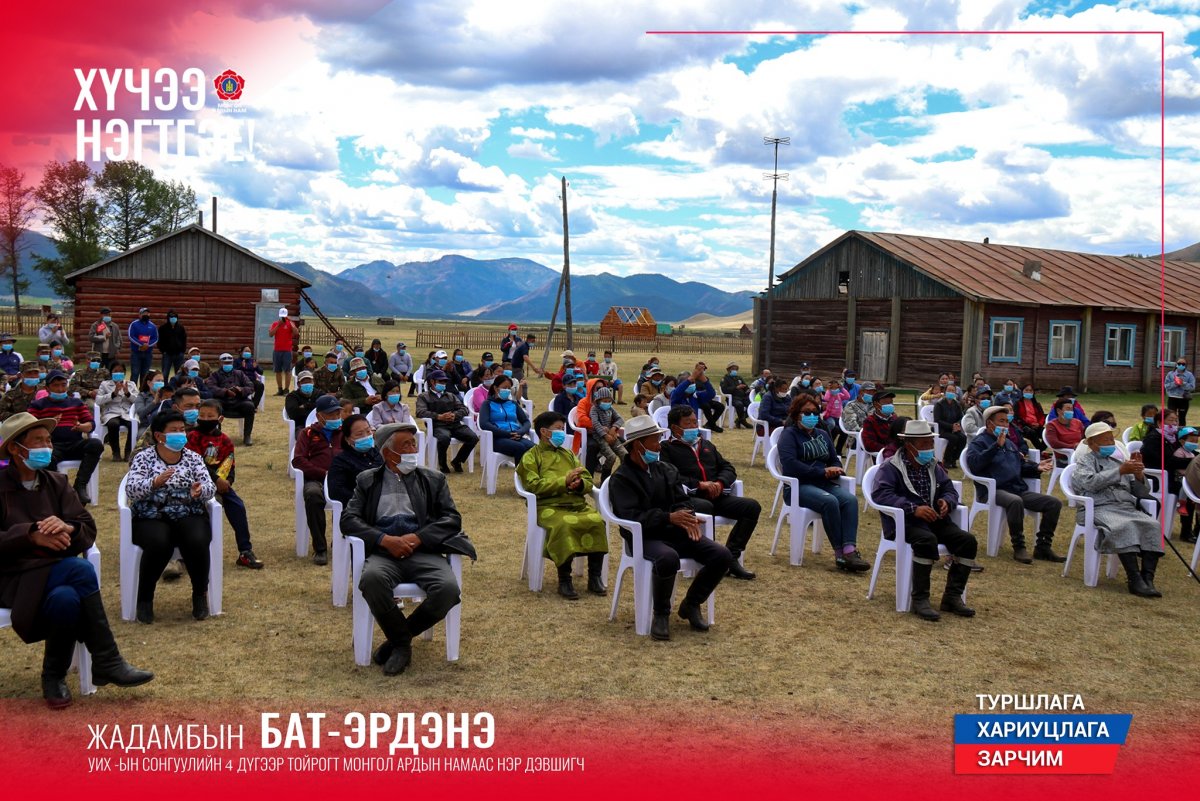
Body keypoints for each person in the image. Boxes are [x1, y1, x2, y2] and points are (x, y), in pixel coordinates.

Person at [0, 412, 153, 708]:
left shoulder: (56, 482)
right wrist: (30, 535)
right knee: (80, 570)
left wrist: (68, 527)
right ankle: (107, 660)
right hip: (12, 577)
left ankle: (53, 677)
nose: (47, 447)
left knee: (66, 598)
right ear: (16, 449)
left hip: (54, 573)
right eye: (38, 441)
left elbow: (86, 526)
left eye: (48, 440)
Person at [341, 421, 476, 676]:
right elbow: (348, 520)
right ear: (388, 453)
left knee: (447, 589)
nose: (414, 449)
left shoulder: (432, 479)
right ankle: (402, 644)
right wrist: (384, 539)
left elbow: (451, 519)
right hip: (384, 552)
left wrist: (418, 538)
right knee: (372, 580)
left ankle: (398, 640)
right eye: (406, 445)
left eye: (414, 444)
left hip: (422, 550)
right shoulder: (367, 480)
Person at [607, 416, 732, 641]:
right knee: (667, 558)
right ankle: (661, 614)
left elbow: (682, 499)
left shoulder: (665, 469)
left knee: (722, 555)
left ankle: (691, 603)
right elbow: (630, 516)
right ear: (638, 445)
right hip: (644, 537)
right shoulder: (622, 478)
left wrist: (686, 516)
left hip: (674, 532)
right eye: (655, 440)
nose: (659, 445)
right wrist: (668, 517)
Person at [871, 419, 978, 620]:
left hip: (933, 520)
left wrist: (947, 501)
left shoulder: (932, 465)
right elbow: (881, 495)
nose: (930, 448)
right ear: (908, 445)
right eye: (924, 444)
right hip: (904, 523)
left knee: (967, 541)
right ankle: (920, 599)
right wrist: (913, 509)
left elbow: (949, 489)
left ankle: (952, 596)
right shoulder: (890, 467)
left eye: (931, 443)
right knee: (926, 540)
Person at [124, 410, 218, 622]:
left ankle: (200, 595)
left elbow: (210, 487)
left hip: (188, 512)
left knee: (197, 539)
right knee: (158, 542)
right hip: (152, 515)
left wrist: (199, 491)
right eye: (174, 430)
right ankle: (145, 599)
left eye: (182, 430)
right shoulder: (144, 458)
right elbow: (131, 490)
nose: (180, 434)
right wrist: (154, 482)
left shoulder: (193, 458)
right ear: (159, 435)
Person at [516, 411, 609, 599]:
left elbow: (586, 477)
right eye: (558, 429)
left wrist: (579, 485)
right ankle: (564, 580)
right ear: (544, 432)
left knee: (597, 521)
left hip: (575, 503)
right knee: (564, 525)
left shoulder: (569, 454)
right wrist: (563, 482)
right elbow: (532, 485)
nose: (562, 433)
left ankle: (595, 577)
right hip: (548, 506)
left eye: (563, 428)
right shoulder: (531, 456)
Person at [661, 405, 759, 580]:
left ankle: (731, 557)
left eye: (695, 422)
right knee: (705, 506)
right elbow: (670, 477)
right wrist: (699, 485)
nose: (694, 427)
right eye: (688, 423)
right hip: (688, 499)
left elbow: (728, 468)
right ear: (675, 428)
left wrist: (720, 483)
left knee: (751, 507)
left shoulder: (706, 445)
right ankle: (711, 558)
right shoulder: (666, 449)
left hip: (716, 496)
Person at [777, 395, 870, 572]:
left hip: (823, 484)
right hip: (798, 487)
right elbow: (790, 464)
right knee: (830, 501)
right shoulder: (789, 435)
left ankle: (850, 550)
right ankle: (840, 554)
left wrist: (836, 468)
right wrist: (822, 472)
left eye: (815, 412)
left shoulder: (822, 434)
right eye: (807, 412)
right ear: (796, 414)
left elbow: (834, 458)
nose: (812, 416)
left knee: (850, 500)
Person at [1070, 422, 1164, 597]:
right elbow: (1089, 483)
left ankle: (1147, 578)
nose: (1111, 443)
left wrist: (1138, 474)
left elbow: (1142, 492)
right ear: (1092, 443)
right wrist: (1119, 471)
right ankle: (1134, 579)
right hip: (1098, 507)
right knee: (1123, 526)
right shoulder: (1084, 462)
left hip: (1124, 506)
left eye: (1111, 439)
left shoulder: (1117, 462)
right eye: (1105, 440)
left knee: (1153, 525)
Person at [964, 405, 1062, 564]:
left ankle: (1043, 547)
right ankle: (1019, 546)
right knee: (1015, 501)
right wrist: (996, 446)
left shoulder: (1009, 443)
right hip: (993, 490)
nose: (1005, 425)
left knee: (1053, 503)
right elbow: (975, 465)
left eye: (1006, 421)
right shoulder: (979, 442)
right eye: (1001, 421)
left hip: (1016, 488)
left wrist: (1036, 467)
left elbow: (1020, 465)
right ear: (989, 423)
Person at [187, 400, 264, 570]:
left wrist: (228, 482)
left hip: (221, 484)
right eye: (202, 415)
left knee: (238, 506)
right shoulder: (192, 437)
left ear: (220, 419)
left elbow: (229, 464)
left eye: (210, 416)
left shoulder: (225, 440)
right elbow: (195, 464)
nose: (205, 419)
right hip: (198, 483)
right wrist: (216, 480)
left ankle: (245, 551)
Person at [28, 371, 104, 505]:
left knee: (96, 444)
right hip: (52, 446)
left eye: (63, 385)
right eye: (56, 386)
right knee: (46, 458)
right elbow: (30, 428)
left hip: (75, 444)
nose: (60, 389)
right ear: (47, 388)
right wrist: (49, 424)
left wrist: (81, 426)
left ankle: (80, 486)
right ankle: (57, 492)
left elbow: (91, 424)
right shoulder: (38, 405)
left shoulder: (76, 403)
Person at [292, 395, 345, 565]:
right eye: (331, 415)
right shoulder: (307, 433)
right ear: (319, 416)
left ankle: (341, 540)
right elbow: (298, 460)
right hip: (316, 479)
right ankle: (320, 548)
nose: (335, 418)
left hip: (341, 478)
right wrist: (322, 473)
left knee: (352, 496)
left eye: (338, 414)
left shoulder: (345, 432)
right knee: (313, 495)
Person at [415, 369, 477, 474]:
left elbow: (464, 409)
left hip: (455, 424)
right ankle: (442, 464)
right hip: (438, 425)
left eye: (445, 381)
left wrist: (455, 415)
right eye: (440, 381)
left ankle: (457, 461)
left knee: (473, 437)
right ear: (432, 382)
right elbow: (420, 412)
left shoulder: (451, 395)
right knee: (444, 438)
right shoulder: (424, 396)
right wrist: (438, 416)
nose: (443, 384)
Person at [327, 414, 383, 505]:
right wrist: (365, 499)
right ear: (347, 439)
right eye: (359, 434)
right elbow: (336, 492)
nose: (366, 436)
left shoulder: (379, 453)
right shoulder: (341, 461)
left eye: (368, 431)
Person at [478, 375, 534, 461]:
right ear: (496, 388)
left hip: (516, 436)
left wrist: (520, 432)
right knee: (520, 448)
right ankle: (520, 470)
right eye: (504, 388)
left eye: (509, 388)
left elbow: (526, 422)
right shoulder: (487, 404)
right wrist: (507, 434)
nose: (507, 390)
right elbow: (484, 424)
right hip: (498, 438)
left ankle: (531, 469)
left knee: (533, 448)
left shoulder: (512, 404)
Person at [206, 354, 257, 446]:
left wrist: (241, 390)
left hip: (239, 401)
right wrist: (225, 392)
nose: (227, 365)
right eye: (225, 363)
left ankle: (247, 436)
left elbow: (250, 386)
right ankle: (217, 435)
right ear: (220, 363)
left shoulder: (240, 374)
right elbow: (211, 388)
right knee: (215, 406)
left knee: (249, 406)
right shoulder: (215, 375)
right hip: (222, 401)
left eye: (229, 363)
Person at [95, 361, 138, 461]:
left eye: (121, 371)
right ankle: (116, 453)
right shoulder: (105, 384)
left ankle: (128, 452)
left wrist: (128, 394)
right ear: (111, 373)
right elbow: (98, 400)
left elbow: (138, 400)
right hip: (111, 412)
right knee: (113, 424)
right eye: (115, 371)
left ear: (125, 373)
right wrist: (113, 394)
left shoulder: (131, 384)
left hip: (127, 412)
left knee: (133, 424)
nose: (118, 373)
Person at [671, 362, 724, 432]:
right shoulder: (676, 396)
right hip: (679, 430)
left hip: (693, 429)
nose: (692, 385)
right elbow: (677, 391)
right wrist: (690, 379)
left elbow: (711, 394)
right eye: (689, 383)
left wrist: (704, 380)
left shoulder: (695, 396)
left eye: (693, 383)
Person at [931, 383, 967, 469]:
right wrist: (951, 426)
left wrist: (957, 424)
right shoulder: (939, 404)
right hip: (941, 429)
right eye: (949, 390)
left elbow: (961, 417)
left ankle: (954, 459)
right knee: (954, 438)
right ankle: (946, 460)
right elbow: (937, 420)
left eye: (953, 391)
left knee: (963, 438)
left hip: (953, 429)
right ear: (945, 391)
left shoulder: (956, 404)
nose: (951, 392)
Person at [1044, 397, 1085, 465]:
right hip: (1065, 456)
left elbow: (1084, 437)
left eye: (1072, 409)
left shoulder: (1078, 423)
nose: (1071, 411)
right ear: (1058, 411)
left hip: (1080, 453)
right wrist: (1073, 446)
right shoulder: (1052, 425)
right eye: (1068, 409)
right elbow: (1054, 443)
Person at [268, 308, 299, 396]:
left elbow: (296, 333)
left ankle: (286, 390)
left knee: (287, 371)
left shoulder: (290, 323)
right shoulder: (275, 324)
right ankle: (280, 389)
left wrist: (291, 323)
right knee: (277, 370)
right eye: (282, 316)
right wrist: (278, 325)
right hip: (277, 350)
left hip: (287, 350)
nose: (283, 318)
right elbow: (270, 334)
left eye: (284, 316)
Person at [860, 390, 898, 454]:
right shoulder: (870, 421)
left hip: (897, 453)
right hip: (883, 454)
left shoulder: (894, 418)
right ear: (876, 405)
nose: (890, 405)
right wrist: (889, 449)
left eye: (891, 402)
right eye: (886, 403)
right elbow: (869, 444)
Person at [127, 307, 158, 385]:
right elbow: (131, 336)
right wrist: (141, 344)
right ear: (139, 315)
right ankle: (132, 389)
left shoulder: (153, 326)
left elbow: (155, 338)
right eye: (144, 313)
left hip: (148, 353)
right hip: (136, 353)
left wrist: (148, 345)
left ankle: (143, 390)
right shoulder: (134, 324)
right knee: (135, 373)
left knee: (145, 374)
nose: (146, 315)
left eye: (147, 313)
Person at [822, 377, 851, 455]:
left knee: (844, 431)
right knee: (832, 425)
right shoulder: (829, 394)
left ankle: (838, 450)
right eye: (833, 388)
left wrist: (842, 388)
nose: (835, 390)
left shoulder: (839, 395)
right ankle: (825, 435)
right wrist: (829, 390)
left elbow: (847, 396)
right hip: (830, 416)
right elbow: (826, 398)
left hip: (838, 417)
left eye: (836, 388)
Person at [157, 310, 187, 381]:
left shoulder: (181, 328)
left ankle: (178, 386)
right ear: (168, 318)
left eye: (175, 317)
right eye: (171, 317)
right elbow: (159, 340)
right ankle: (165, 386)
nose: (173, 318)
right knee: (165, 373)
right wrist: (163, 351)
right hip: (167, 354)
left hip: (179, 354)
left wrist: (182, 350)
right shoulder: (162, 328)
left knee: (179, 373)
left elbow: (184, 339)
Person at [1014, 384, 1047, 450]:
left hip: (1037, 425)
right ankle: (1040, 450)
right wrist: (1029, 424)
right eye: (1026, 390)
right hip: (1024, 426)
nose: (1028, 392)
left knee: (1047, 433)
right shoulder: (1018, 403)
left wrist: (1039, 424)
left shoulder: (1037, 404)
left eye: (1030, 390)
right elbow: (1017, 417)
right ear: (1022, 391)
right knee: (1032, 433)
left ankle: (1040, 450)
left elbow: (1042, 416)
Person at [233, 345, 266, 409]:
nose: (248, 353)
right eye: (246, 351)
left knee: (260, 385)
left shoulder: (252, 361)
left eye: (249, 351)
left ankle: (254, 405)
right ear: (241, 352)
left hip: (251, 381)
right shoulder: (237, 361)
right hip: (241, 381)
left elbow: (261, 372)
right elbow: (233, 372)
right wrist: (242, 367)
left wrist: (256, 367)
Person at [1165, 358, 1195, 427]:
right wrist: (1175, 383)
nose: (1181, 365)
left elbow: (1192, 387)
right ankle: (1171, 431)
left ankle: (1182, 431)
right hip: (1172, 398)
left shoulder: (1189, 375)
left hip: (1183, 399)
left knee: (1182, 417)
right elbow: (1166, 386)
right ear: (1176, 364)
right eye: (1179, 363)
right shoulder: (1170, 374)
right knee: (1171, 417)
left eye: (1183, 364)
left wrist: (1183, 383)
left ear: (1186, 365)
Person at [720, 362, 750, 429]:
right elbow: (724, 390)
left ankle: (739, 420)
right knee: (739, 405)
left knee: (751, 405)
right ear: (728, 370)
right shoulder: (725, 379)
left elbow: (746, 387)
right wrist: (736, 387)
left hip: (743, 397)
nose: (735, 371)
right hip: (732, 398)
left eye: (736, 369)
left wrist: (747, 390)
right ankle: (743, 421)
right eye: (733, 369)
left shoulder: (739, 378)